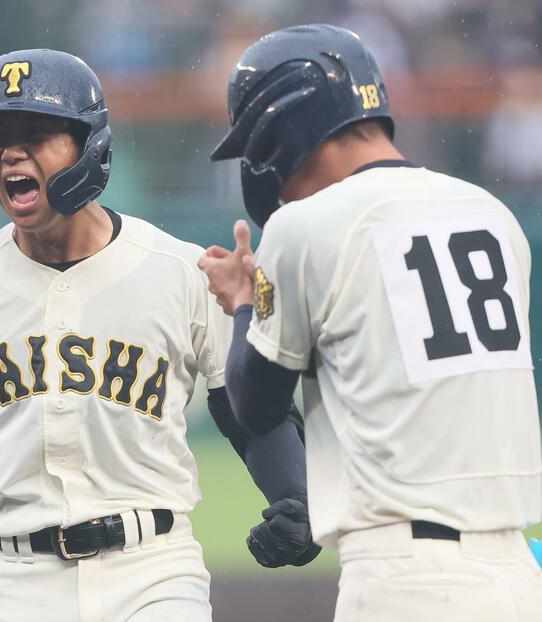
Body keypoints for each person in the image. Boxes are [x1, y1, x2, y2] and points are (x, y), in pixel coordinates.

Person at [0, 48, 319, 621]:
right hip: (16, 581)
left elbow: (247, 416)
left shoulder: (179, 270)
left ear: (88, 145)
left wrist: (295, 499)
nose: (10, 151)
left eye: (37, 131)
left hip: (154, 570)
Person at [198, 23, 542, 621]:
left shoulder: (306, 226)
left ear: (282, 127)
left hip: (403, 576)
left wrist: (243, 304)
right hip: (518, 570)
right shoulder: (493, 214)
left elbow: (255, 404)